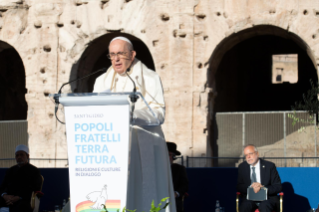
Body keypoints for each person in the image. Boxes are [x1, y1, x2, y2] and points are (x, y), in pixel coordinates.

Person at [93, 37, 176, 212]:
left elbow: (159, 115)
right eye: (112, 54)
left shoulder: (150, 78)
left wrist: (131, 115)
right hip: (111, 148)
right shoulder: (101, 81)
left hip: (143, 145)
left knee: (143, 194)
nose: (116, 59)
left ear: (132, 55)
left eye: (121, 54)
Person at [237, 144, 282, 212]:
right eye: (246, 155)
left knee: (264, 207)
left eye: (250, 154)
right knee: (244, 207)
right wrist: (251, 187)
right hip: (250, 199)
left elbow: (278, 186)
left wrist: (262, 188)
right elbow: (239, 186)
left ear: (257, 154)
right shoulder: (242, 167)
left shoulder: (269, 166)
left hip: (268, 198)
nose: (248, 157)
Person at [0, 144, 42, 212]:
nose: (19, 157)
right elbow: (2, 187)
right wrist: (5, 196)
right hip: (8, 199)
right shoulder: (10, 170)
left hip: (23, 199)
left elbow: (35, 187)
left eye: (21, 155)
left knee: (22, 206)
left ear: (27, 156)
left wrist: (18, 197)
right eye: (17, 155)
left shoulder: (34, 171)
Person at [166, 142, 188, 212]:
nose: (168, 157)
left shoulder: (179, 169)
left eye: (170, 155)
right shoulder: (155, 169)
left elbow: (185, 185)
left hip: (174, 204)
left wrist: (176, 193)